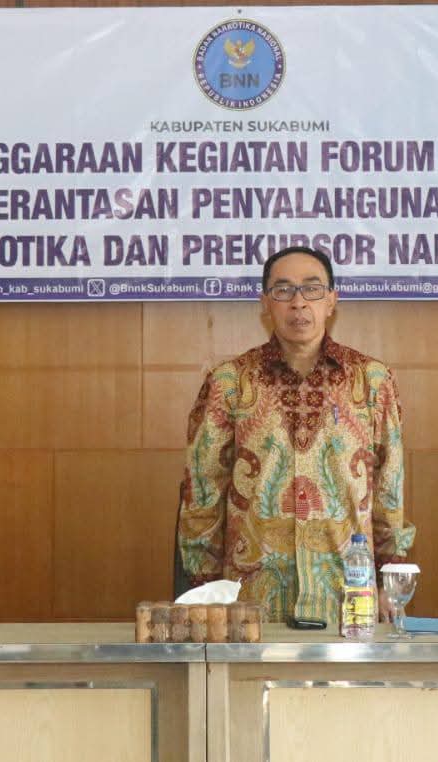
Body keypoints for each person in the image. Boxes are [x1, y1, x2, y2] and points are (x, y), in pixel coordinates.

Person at [177, 246, 415, 624]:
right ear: (265, 303)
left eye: (312, 289)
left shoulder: (372, 380)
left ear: (331, 301)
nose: (299, 302)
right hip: (251, 600)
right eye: (284, 290)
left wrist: (391, 577)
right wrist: (204, 586)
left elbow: (390, 485)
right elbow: (203, 492)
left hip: (348, 596)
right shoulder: (230, 383)